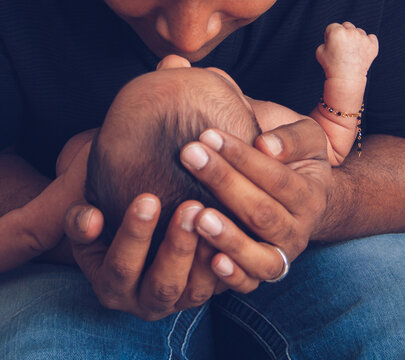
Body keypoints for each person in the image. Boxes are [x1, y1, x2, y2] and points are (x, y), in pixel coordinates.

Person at [0, 0, 404, 359]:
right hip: (75, 273)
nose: (185, 45)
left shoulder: (85, 157)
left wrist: (330, 204)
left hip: (321, 248)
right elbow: (332, 143)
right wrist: (348, 77)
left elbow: (29, 230)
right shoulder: (268, 132)